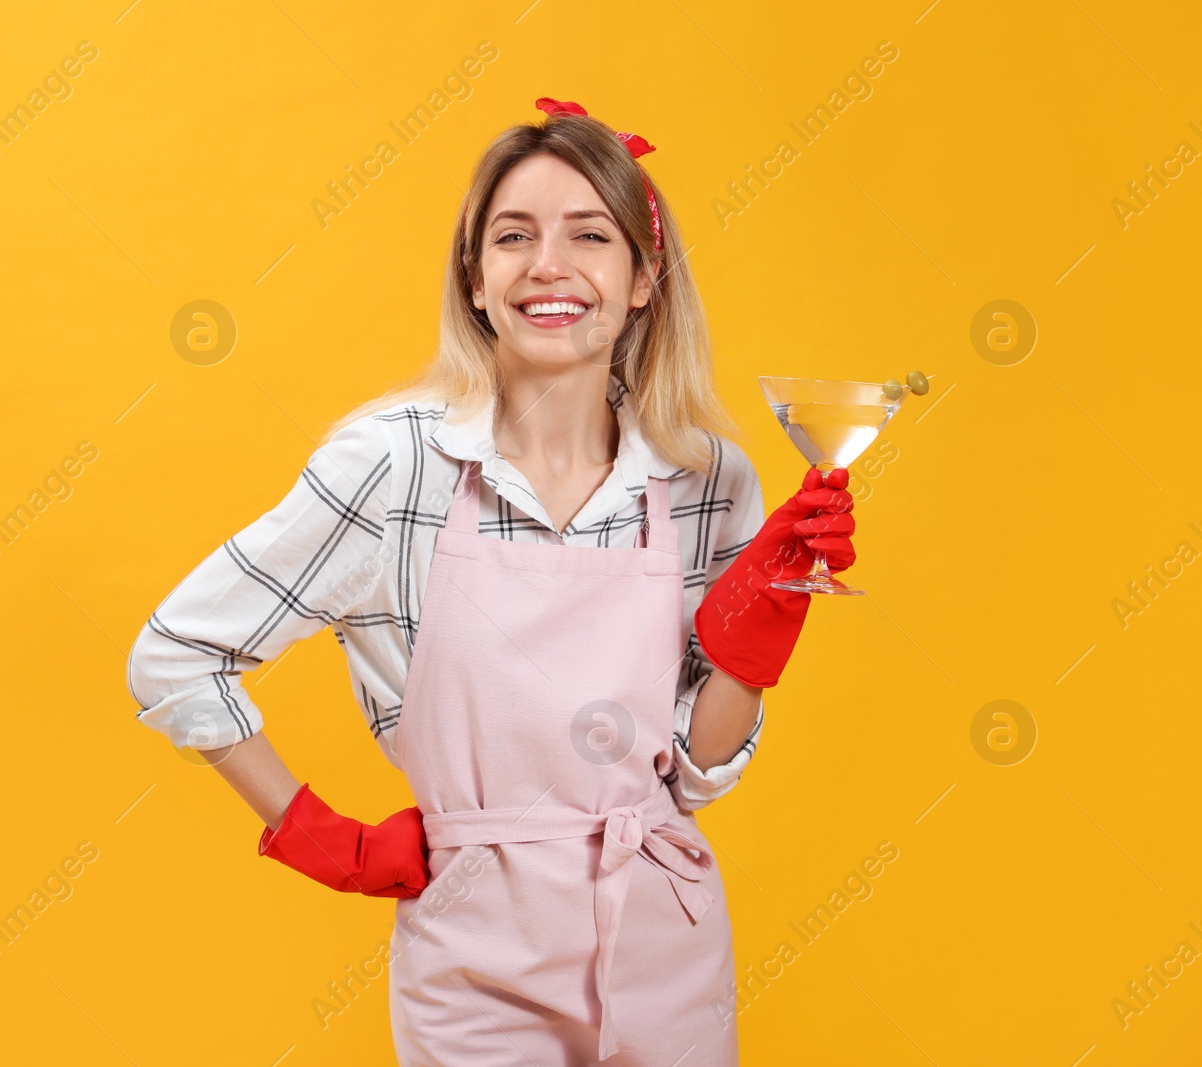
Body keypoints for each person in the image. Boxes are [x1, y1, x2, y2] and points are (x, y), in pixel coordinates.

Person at [127, 97, 855, 1066]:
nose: (547, 264)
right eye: (513, 235)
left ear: (642, 280)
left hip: (663, 927)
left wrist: (753, 647)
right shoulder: (393, 463)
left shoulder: (705, 476)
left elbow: (692, 770)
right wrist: (321, 836)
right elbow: (175, 653)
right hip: (477, 949)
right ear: (474, 278)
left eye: (589, 235)